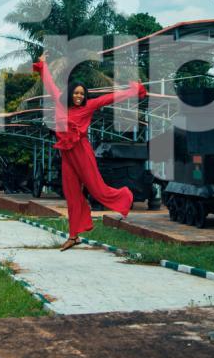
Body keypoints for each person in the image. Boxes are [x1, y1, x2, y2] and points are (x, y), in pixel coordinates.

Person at [33, 52, 147, 251]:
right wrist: (43, 65)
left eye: (82, 94)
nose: (79, 96)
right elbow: (50, 84)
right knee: (72, 194)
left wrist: (134, 90)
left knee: (96, 188)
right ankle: (73, 235)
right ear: (70, 93)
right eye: (76, 93)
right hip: (67, 154)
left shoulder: (90, 105)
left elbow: (111, 98)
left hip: (82, 151)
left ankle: (125, 196)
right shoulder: (60, 103)